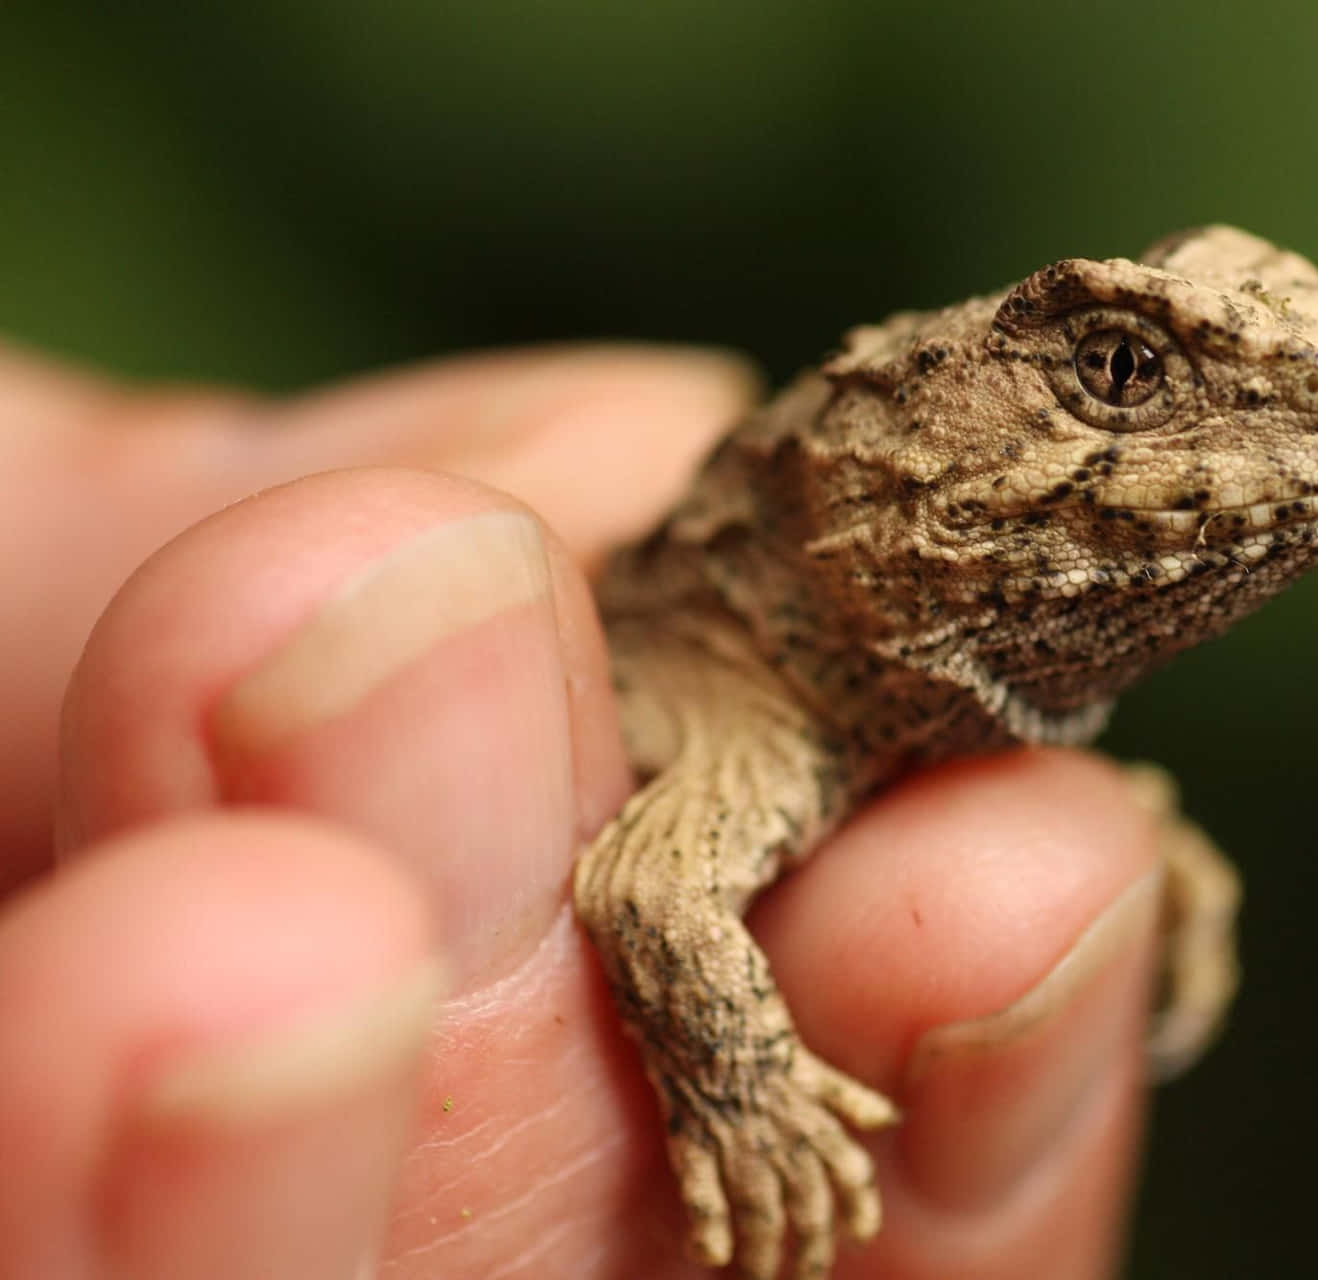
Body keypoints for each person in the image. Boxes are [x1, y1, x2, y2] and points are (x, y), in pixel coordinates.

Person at [0, 340, 1164, 1279]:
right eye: (1121, 374)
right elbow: (656, 890)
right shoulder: (766, 704)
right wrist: (747, 1095)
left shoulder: (890, 713)